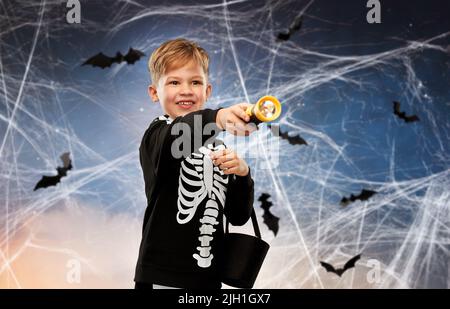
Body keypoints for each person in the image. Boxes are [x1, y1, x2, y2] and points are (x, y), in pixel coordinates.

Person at [134, 38, 257, 289]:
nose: (186, 90)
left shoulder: (218, 148)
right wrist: (219, 117)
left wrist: (242, 175)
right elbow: (179, 135)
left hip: (210, 279)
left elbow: (238, 216)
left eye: (196, 82)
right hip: (163, 277)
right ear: (154, 93)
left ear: (207, 91)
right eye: (174, 82)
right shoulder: (157, 136)